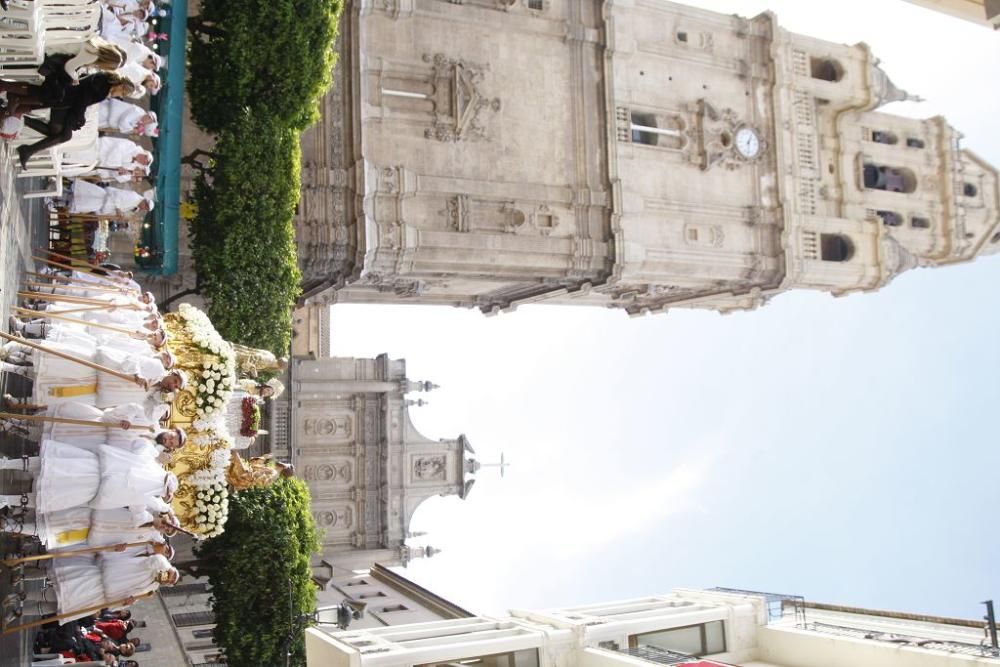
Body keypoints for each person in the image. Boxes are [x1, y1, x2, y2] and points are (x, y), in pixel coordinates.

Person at [6, 73, 137, 168]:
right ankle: (27, 145)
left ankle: (27, 146)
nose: (120, 96)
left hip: (69, 104)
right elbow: (83, 98)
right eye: (122, 93)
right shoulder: (103, 84)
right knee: (62, 135)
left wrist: (79, 118)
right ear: (120, 86)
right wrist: (80, 118)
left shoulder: (104, 85)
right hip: (66, 99)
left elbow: (83, 100)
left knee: (59, 134)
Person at [0, 38, 126, 119]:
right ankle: (10, 91)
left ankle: (13, 96)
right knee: (55, 95)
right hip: (52, 57)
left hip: (56, 54)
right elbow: (69, 67)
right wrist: (75, 78)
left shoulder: (96, 44)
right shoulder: (93, 56)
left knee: (56, 94)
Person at [68, 180, 154, 218]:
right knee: (77, 196)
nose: (143, 209)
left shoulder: (135, 205)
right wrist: (118, 209)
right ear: (145, 203)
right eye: (145, 207)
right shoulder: (134, 197)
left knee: (77, 202)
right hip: (101, 198)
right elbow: (117, 195)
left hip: (100, 204)